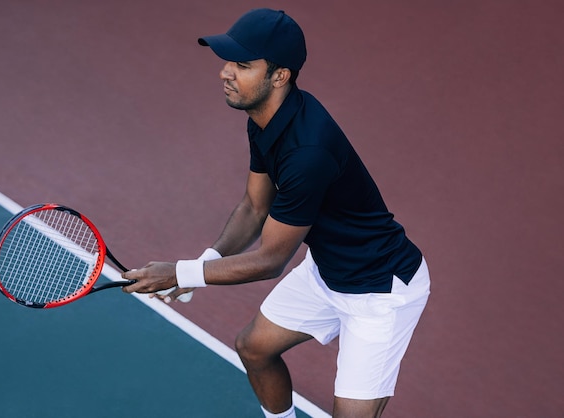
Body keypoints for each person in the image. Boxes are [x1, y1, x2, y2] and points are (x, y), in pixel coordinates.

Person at [122, 8, 430, 418]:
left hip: (379, 291)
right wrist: (205, 262)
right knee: (254, 348)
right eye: (228, 62)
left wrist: (179, 273)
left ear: (279, 75)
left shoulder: (308, 152)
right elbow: (254, 206)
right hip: (328, 272)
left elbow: (270, 260)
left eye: (243, 65)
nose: (226, 73)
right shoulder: (265, 119)